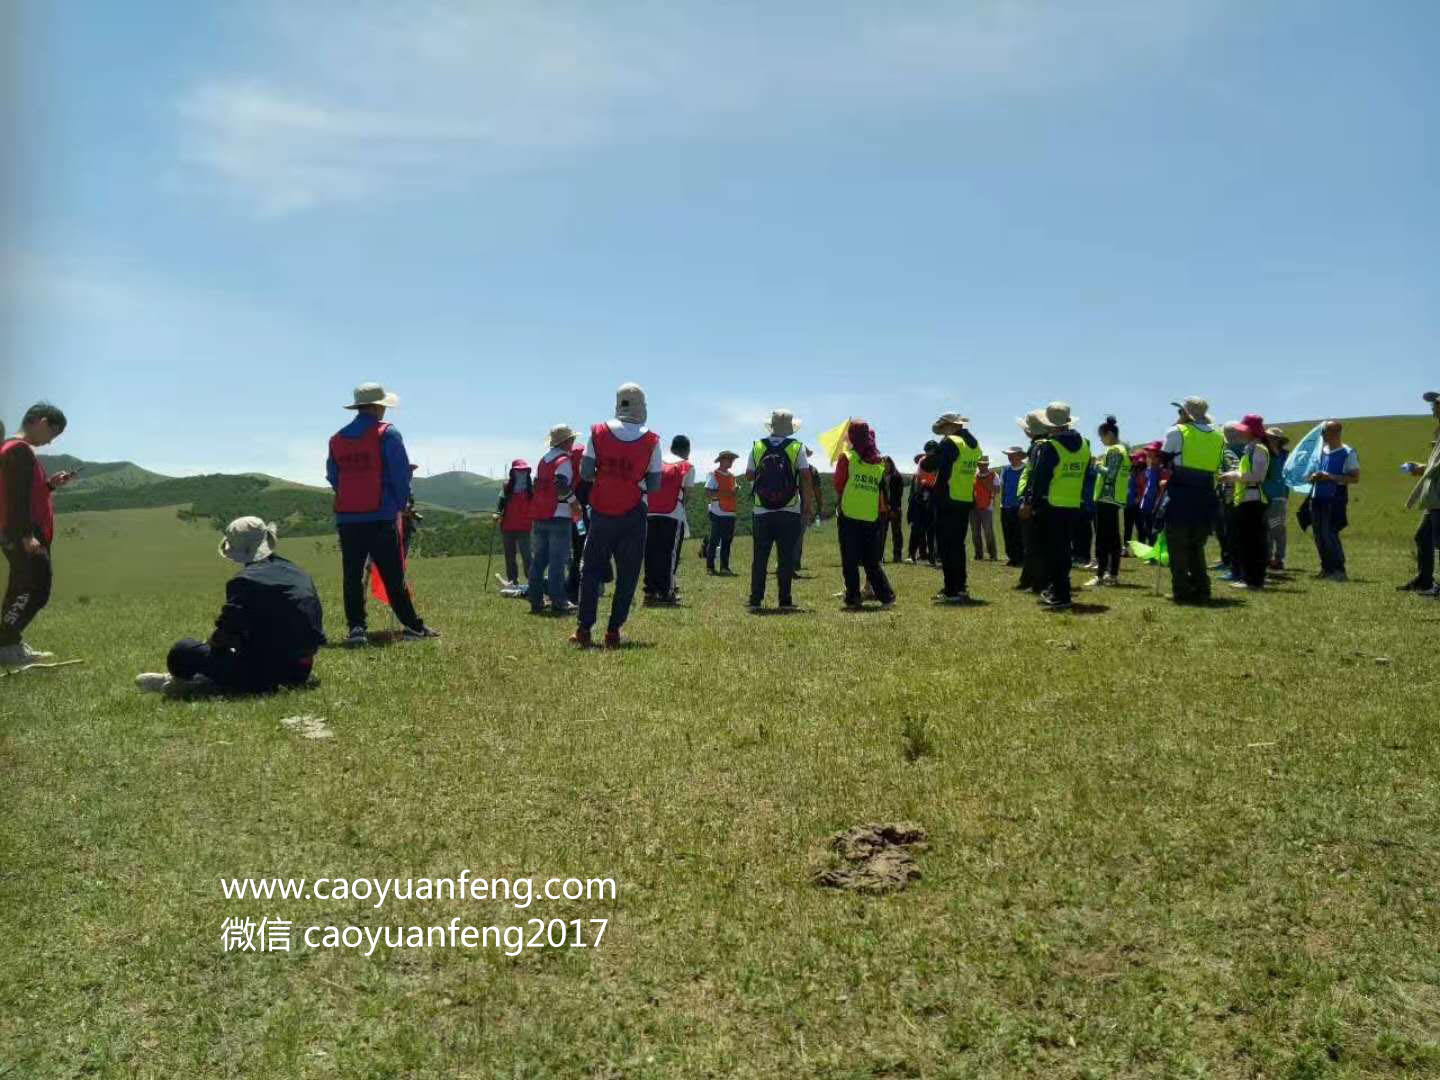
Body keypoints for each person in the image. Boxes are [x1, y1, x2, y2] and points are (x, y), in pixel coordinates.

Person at [136, 517, 325, 695]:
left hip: (264, 674)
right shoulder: (298, 573)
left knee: (183, 650)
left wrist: (212, 650)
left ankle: (185, 683)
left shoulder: (245, 581)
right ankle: (204, 679)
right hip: (302, 670)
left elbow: (223, 637)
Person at [326, 383, 439, 645]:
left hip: (347, 517)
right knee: (392, 575)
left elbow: (333, 476)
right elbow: (400, 474)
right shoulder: (388, 434)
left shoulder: (337, 439)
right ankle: (413, 627)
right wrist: (400, 505)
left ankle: (356, 629)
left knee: (352, 575)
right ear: (378, 407)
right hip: (381, 515)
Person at [573, 383, 662, 647]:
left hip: (601, 509)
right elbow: (654, 485)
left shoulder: (598, 432)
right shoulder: (652, 440)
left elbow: (586, 472)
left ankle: (584, 629)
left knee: (590, 570)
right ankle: (613, 631)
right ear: (642, 406)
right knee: (628, 573)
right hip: (633, 512)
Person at [0, 403, 76, 667]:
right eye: (53, 433)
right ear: (42, 422)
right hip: (24, 533)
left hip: (23, 532)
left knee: (21, 588)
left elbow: (28, 493)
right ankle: (6, 645)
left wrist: (49, 485)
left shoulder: (16, 451)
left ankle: (9, 642)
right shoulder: (18, 451)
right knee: (35, 589)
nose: (51, 441)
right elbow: (15, 498)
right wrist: (26, 535)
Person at [1022, 402, 1090, 611]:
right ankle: (1059, 590)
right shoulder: (1085, 445)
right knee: (1064, 550)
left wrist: (1029, 503)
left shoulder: (1051, 446)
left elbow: (1040, 479)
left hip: (1050, 504)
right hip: (1073, 504)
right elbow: (1086, 475)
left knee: (1053, 552)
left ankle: (1061, 594)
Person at [746, 409, 815, 611]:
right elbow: (806, 476)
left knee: (760, 556)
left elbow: (749, 475)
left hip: (761, 510)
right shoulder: (796, 447)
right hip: (789, 509)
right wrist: (807, 507)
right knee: (785, 556)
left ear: (772, 426)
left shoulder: (757, 446)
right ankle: (785, 600)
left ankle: (755, 599)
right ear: (790, 428)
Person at [1160, 396, 1224, 604]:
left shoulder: (1177, 431)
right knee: (1196, 545)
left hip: (1181, 491)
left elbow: (1164, 459)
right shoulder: (1218, 436)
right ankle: (1202, 588)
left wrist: (1178, 424)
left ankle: (1182, 591)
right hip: (1206, 492)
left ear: (1185, 413)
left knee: (1177, 545)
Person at [918, 413, 982, 603]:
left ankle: (951, 590)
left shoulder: (950, 442)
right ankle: (960, 587)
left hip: (947, 498)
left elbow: (930, 465)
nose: (942, 432)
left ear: (950, 426)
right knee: (958, 545)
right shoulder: (974, 444)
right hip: (964, 498)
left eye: (943, 428)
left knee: (946, 546)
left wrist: (930, 455)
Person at [833, 421, 896, 609]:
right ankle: (887, 596)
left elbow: (838, 484)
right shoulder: (879, 462)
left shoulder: (847, 457)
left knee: (850, 560)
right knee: (871, 561)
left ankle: (853, 598)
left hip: (850, 514)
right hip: (871, 516)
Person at [527, 425, 580, 615]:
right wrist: (574, 502)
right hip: (559, 514)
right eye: (571, 440)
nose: (573, 443)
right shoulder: (563, 460)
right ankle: (559, 601)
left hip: (541, 514)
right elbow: (561, 484)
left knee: (539, 560)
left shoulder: (544, 460)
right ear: (565, 442)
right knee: (558, 561)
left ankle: (536, 600)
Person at [1218, 415, 1271, 590]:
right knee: (1246, 542)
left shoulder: (1259, 450)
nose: (1240, 433)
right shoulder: (1251, 449)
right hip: (1246, 500)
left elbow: (1257, 476)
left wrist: (1233, 476)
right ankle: (1249, 578)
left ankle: (1254, 580)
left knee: (1253, 542)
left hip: (1253, 501)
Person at [1307, 420, 1360, 582]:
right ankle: (1326, 568)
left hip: (1335, 497)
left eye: (1325, 432)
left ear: (1335, 433)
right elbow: (1312, 470)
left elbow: (1355, 478)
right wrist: (1313, 477)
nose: (1322, 435)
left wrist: (1330, 477)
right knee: (1318, 534)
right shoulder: (1321, 451)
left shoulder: (1348, 452)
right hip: (1317, 496)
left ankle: (1338, 570)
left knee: (1330, 533)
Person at [644, 435, 694, 604]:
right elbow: (686, 496)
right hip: (672, 513)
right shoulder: (687, 466)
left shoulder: (657, 462)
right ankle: (667, 592)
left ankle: (650, 592)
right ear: (687, 450)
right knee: (669, 554)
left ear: (672, 448)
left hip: (650, 512)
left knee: (651, 552)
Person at [1401, 390, 1440, 596]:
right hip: (1434, 497)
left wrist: (1422, 469)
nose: (1433, 408)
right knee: (1423, 536)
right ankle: (1425, 580)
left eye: (1436, 404)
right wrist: (1421, 468)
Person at [1088, 415, 1131, 587]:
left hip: (1107, 498)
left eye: (1102, 435)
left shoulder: (1114, 450)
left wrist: (1097, 465)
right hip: (1115, 499)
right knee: (1113, 538)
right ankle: (1111, 574)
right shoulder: (1124, 450)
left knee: (1104, 539)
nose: (1101, 439)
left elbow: (1111, 474)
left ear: (1110, 434)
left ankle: (1101, 575)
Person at [1014, 414, 1051, 594]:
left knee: (1034, 544)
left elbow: (1035, 476)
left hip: (1036, 501)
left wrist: (1027, 501)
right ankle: (1028, 578)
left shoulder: (1039, 447)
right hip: (1045, 499)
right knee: (1034, 544)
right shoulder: (1043, 445)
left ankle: (1038, 582)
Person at [494, 460, 534, 587]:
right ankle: (513, 581)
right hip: (507, 526)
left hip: (524, 527)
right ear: (513, 472)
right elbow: (500, 503)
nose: (521, 473)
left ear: (527, 472)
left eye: (523, 471)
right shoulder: (506, 487)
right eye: (518, 471)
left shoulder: (531, 489)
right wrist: (497, 513)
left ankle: (533, 581)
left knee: (526, 556)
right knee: (510, 556)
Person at [704, 451, 740, 575]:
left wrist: (734, 491)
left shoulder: (732, 476)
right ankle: (710, 567)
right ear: (721, 460)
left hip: (730, 512)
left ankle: (724, 567)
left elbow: (733, 491)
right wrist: (723, 495)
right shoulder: (713, 474)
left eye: (732, 459)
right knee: (714, 540)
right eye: (728, 459)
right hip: (717, 512)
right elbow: (708, 492)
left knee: (727, 541)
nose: (731, 461)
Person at [1262, 428, 1291, 571]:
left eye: (1274, 438)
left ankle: (1279, 559)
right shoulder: (1263, 453)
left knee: (1277, 528)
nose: (1271, 440)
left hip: (1278, 496)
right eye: (1269, 437)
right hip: (1262, 496)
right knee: (1265, 529)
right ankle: (1267, 558)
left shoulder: (1285, 456)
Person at [907, 445, 937, 565]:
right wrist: (918, 496)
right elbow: (919, 479)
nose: (928, 453)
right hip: (920, 498)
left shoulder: (939, 462)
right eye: (927, 450)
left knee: (931, 530)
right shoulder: (922, 461)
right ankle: (911, 555)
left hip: (933, 496)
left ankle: (932, 557)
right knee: (916, 529)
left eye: (931, 450)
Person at [999, 446, 1026, 567]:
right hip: (1006, 506)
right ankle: (1012, 557)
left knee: (1019, 533)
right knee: (1008, 533)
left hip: (1020, 507)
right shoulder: (1005, 470)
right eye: (1009, 455)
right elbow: (1002, 487)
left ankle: (1021, 557)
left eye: (1013, 455)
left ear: (1020, 456)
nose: (1010, 457)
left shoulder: (1026, 469)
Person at [970, 456, 1000, 561]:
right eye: (980, 464)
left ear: (988, 464)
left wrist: (985, 482)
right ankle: (978, 554)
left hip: (988, 507)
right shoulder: (974, 476)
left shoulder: (994, 475)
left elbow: (997, 490)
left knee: (988, 531)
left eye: (984, 464)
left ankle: (993, 554)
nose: (982, 466)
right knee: (975, 532)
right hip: (974, 507)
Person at [1136, 442, 1166, 545]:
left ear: (1159, 457)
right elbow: (1144, 487)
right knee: (1147, 529)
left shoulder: (1163, 471)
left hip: (1157, 506)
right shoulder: (1147, 471)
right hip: (1146, 506)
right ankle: (1151, 552)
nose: (1150, 458)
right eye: (1149, 455)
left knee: (1155, 531)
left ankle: (1155, 554)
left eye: (1153, 455)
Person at [882, 456, 905, 563]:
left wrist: (893, 508)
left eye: (887, 464)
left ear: (891, 464)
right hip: (883, 508)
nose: (885, 466)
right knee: (882, 533)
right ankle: (879, 556)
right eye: (884, 464)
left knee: (896, 533)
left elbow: (899, 494)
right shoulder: (880, 476)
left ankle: (897, 555)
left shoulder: (897, 476)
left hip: (895, 508)